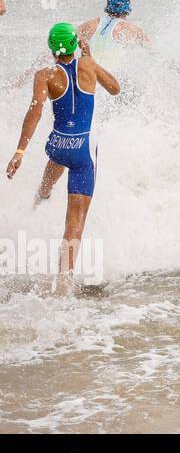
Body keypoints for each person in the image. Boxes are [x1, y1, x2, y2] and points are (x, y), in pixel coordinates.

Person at [6, 23, 120, 295]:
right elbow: (115, 88)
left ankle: (35, 205)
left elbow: (34, 112)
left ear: (51, 47)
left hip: (58, 146)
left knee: (51, 174)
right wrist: (89, 56)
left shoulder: (45, 75)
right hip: (83, 152)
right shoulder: (88, 66)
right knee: (75, 224)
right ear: (75, 45)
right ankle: (64, 281)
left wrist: (19, 152)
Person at [76, 0, 152, 80]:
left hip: (88, 75)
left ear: (108, 4)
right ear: (127, 6)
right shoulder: (132, 30)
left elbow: (68, 38)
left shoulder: (89, 25)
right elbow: (153, 53)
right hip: (112, 79)